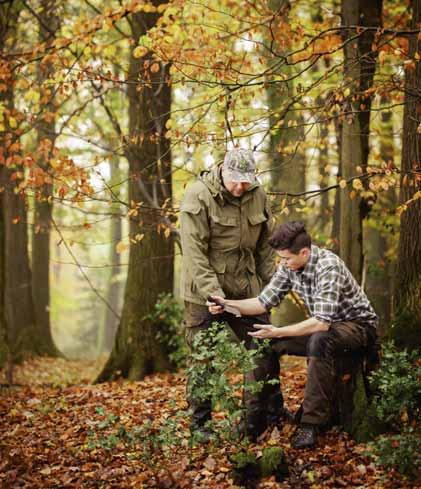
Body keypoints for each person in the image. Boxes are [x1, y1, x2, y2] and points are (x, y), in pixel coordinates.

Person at [208, 221, 378, 449]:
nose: (282, 263)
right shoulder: (290, 267)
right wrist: (226, 304)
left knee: (319, 341)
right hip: (326, 327)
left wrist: (278, 331)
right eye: (280, 258)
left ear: (304, 252)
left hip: (357, 328)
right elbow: (262, 302)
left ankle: (310, 425)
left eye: (286, 258)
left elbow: (321, 323)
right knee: (265, 344)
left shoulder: (329, 267)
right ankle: (257, 418)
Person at [180, 148, 283, 442]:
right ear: (222, 170)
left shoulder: (258, 195)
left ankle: (260, 420)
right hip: (203, 295)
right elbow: (194, 253)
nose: (240, 187)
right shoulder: (198, 195)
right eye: (235, 180)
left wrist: (271, 288)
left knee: (264, 347)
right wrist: (214, 295)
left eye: (246, 181)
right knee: (203, 360)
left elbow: (264, 247)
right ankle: (200, 428)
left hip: (245, 289)